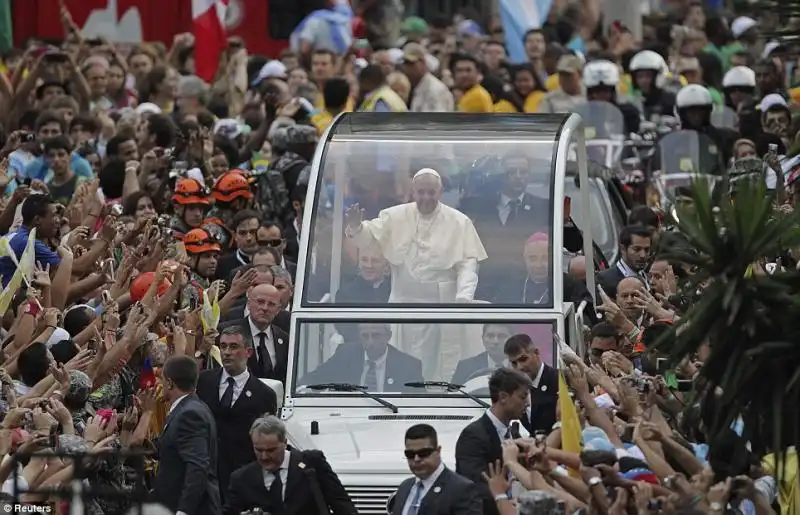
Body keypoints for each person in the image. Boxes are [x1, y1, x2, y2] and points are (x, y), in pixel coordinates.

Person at [344, 168, 487, 378]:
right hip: (403, 305)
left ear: (441, 192)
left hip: (440, 309)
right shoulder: (395, 215)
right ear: (413, 191)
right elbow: (369, 239)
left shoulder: (459, 221)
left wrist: (463, 297)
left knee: (436, 370)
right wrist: (356, 226)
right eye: (421, 192)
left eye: (431, 192)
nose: (426, 197)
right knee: (400, 364)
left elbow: (468, 265)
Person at [196, 325, 278, 504]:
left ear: (248, 352)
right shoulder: (204, 382)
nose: (226, 352)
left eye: (233, 347)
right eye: (223, 346)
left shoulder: (264, 394)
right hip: (206, 476)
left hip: (241, 480)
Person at [223, 415, 358, 515]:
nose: (264, 456)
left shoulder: (312, 464)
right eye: (259, 450)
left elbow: (343, 506)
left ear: (285, 442)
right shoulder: (241, 479)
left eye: (271, 450)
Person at [454, 368, 531, 515]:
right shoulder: (473, 436)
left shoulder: (516, 433)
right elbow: (474, 488)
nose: (527, 403)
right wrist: (505, 501)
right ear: (503, 397)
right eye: (522, 397)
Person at [153, 355, 221, 515]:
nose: (161, 384)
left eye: (163, 380)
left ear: (170, 383)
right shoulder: (191, 407)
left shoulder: (189, 414)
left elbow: (197, 467)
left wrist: (184, 511)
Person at [299, 322, 423, 391]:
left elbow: (418, 403)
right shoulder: (345, 354)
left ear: (388, 336)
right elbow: (315, 378)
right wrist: (301, 388)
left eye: (376, 335)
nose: (370, 342)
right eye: (365, 336)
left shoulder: (408, 366)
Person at [391, 424, 482, 515]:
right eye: (410, 454)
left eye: (423, 453)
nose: (416, 459)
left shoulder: (462, 490)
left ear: (438, 451)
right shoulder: (405, 487)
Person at [220, 284, 289, 384]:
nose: (265, 308)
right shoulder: (227, 332)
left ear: (278, 310)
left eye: (271, 304)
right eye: (260, 302)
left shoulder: (284, 338)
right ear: (249, 304)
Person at [503, 333, 558, 434]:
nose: (519, 367)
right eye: (514, 363)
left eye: (523, 359)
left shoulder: (558, 380)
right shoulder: (514, 388)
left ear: (536, 353)